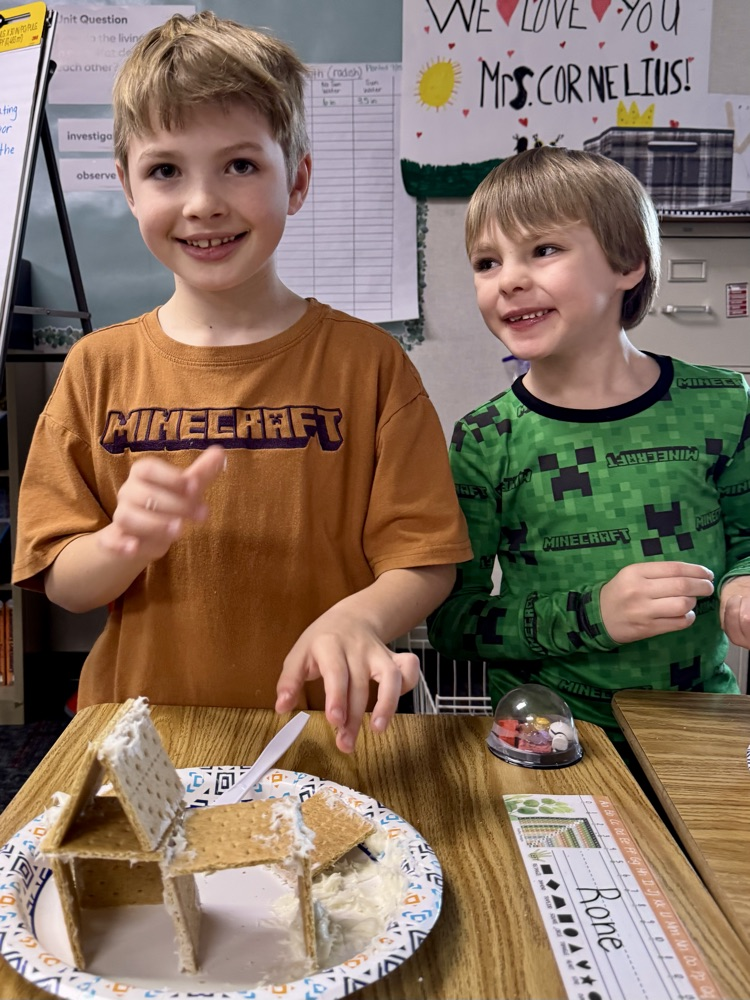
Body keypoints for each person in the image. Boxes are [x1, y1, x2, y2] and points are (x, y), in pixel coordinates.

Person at [12, 11, 472, 753]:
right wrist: (122, 542)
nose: (203, 202)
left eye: (240, 165)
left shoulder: (371, 367)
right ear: (127, 187)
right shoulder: (96, 369)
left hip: (325, 734)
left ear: (296, 180)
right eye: (166, 170)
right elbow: (62, 581)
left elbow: (424, 562)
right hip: (143, 738)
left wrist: (359, 619)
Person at [427, 146, 750, 749]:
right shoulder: (484, 438)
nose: (511, 279)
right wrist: (591, 616)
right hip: (547, 734)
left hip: (699, 726)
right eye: (487, 262)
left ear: (628, 262)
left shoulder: (725, 402)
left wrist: (741, 584)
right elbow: (452, 622)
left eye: (544, 250)